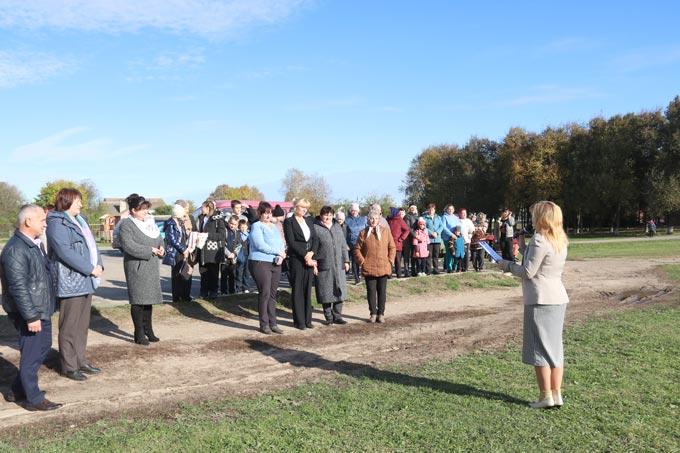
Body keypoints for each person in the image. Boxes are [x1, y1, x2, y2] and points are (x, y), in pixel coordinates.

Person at [498, 201, 569, 409]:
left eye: (534, 215)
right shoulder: (560, 239)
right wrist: (523, 247)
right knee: (555, 349)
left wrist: (506, 265)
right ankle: (556, 394)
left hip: (540, 299)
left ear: (541, 218)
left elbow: (528, 272)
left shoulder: (539, 240)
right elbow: (538, 263)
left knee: (540, 349)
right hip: (557, 298)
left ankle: (545, 396)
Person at [0, 205, 62, 411]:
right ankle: (33, 399)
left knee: (42, 348)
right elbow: (18, 287)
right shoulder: (15, 249)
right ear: (28, 222)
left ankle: (16, 390)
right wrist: (31, 316)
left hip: (40, 308)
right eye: (42, 219)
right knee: (32, 354)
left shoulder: (32, 244)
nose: (46, 223)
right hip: (30, 312)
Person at [46, 188, 103, 382]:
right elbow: (65, 252)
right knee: (69, 325)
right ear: (67, 201)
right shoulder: (57, 223)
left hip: (86, 279)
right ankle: (69, 366)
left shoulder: (81, 220)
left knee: (82, 325)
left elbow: (92, 245)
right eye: (78, 200)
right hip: (71, 280)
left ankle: (80, 360)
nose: (81, 204)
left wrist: (99, 264)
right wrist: (90, 268)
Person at [118, 194, 165, 346]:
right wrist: (149, 249)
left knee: (148, 300)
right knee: (138, 301)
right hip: (136, 267)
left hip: (151, 266)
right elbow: (128, 245)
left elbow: (159, 238)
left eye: (146, 208)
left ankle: (149, 331)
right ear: (133, 210)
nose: (145, 211)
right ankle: (139, 333)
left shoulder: (149, 222)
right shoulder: (127, 224)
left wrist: (162, 247)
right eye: (142, 209)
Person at [248, 202, 286, 335]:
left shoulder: (274, 227)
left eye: (269, 212)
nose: (268, 215)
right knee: (264, 292)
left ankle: (273, 322)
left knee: (272, 294)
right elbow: (260, 245)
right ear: (259, 213)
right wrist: (278, 252)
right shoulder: (256, 226)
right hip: (260, 262)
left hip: (276, 262)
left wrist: (282, 254)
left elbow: (281, 242)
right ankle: (264, 324)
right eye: (265, 213)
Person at [353, 211, 396, 323]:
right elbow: (357, 249)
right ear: (368, 219)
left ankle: (381, 314)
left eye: (376, 218)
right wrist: (362, 261)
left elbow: (392, 247)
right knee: (371, 292)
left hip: (383, 266)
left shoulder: (385, 232)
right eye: (371, 218)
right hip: (369, 267)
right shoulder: (363, 233)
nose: (373, 220)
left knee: (382, 292)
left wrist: (390, 261)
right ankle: (373, 313)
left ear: (379, 219)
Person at [283, 198, 318, 329]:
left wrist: (312, 253)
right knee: (297, 289)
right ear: (296, 207)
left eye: (306, 208)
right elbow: (291, 242)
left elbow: (315, 238)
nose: (304, 210)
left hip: (309, 257)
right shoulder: (289, 222)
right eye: (302, 207)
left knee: (307, 289)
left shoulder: (309, 220)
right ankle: (299, 321)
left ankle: (308, 320)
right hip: (296, 259)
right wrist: (305, 255)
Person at [313, 206, 349, 325]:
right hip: (324, 264)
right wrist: (315, 264)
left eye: (330, 215)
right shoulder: (315, 227)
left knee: (340, 290)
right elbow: (313, 247)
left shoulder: (337, 226)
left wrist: (346, 260)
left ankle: (337, 316)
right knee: (326, 292)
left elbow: (343, 244)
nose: (327, 217)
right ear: (321, 215)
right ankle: (328, 317)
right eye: (325, 215)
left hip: (339, 264)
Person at [163, 203, 191, 302]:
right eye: (182, 212)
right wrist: (183, 249)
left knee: (183, 273)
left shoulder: (180, 222)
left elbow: (183, 237)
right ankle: (176, 297)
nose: (183, 214)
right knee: (176, 275)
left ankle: (184, 295)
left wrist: (187, 246)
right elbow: (172, 239)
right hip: (175, 252)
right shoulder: (170, 224)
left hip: (183, 251)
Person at [197, 200, 226, 299]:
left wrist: (207, 235)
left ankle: (213, 291)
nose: (201, 209)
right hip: (202, 249)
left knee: (213, 272)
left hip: (213, 250)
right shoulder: (201, 218)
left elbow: (222, 235)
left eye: (203, 207)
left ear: (208, 208)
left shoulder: (218, 219)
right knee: (203, 271)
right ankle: (203, 292)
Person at [345, 203, 367, 285]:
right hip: (351, 243)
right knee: (353, 261)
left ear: (358, 211)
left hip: (362, 243)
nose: (354, 212)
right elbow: (344, 233)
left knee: (360, 260)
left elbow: (367, 230)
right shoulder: (347, 220)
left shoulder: (363, 219)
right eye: (352, 210)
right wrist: (345, 244)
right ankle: (356, 278)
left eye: (355, 210)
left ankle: (362, 275)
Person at [220, 215, 242, 295]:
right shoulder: (225, 231)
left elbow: (239, 245)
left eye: (235, 224)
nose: (232, 225)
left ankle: (232, 291)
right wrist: (228, 254)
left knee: (232, 275)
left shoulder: (238, 233)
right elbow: (222, 244)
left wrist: (234, 254)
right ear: (228, 222)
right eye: (231, 223)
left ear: (237, 225)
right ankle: (223, 291)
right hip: (225, 258)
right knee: (224, 275)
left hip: (233, 258)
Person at [387, 207, 410, 278]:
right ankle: (389, 275)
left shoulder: (400, 220)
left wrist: (401, 238)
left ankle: (398, 275)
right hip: (389, 243)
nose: (389, 213)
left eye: (390, 212)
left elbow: (407, 230)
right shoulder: (388, 220)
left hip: (397, 243)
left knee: (397, 260)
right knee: (389, 259)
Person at [423, 203, 443, 275]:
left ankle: (436, 269)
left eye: (433, 209)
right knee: (429, 255)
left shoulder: (438, 217)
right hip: (429, 239)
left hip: (437, 239)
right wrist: (431, 233)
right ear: (428, 210)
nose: (431, 211)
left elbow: (441, 226)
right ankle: (428, 270)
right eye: (430, 209)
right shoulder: (425, 218)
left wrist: (437, 233)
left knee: (436, 255)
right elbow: (424, 227)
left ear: (434, 210)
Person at [440, 204, 461, 273]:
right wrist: (451, 234)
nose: (450, 210)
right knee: (449, 252)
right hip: (447, 237)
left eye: (452, 209)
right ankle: (449, 268)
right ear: (446, 209)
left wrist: (458, 232)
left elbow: (458, 226)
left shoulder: (456, 217)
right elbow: (444, 227)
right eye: (449, 209)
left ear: (454, 210)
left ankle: (450, 266)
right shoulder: (444, 217)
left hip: (455, 237)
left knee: (454, 252)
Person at [403, 205, 419, 276]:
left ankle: (413, 271)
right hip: (408, 238)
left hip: (415, 238)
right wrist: (415, 235)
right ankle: (406, 271)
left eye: (414, 208)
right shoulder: (407, 216)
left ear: (416, 209)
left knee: (414, 255)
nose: (413, 209)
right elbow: (408, 228)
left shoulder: (418, 217)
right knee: (407, 255)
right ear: (409, 209)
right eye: (411, 208)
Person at [235, 219, 250, 293]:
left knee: (246, 272)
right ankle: (238, 287)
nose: (243, 228)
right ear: (239, 227)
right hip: (240, 256)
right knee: (239, 272)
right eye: (242, 227)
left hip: (247, 255)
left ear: (247, 227)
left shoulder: (249, 235)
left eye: (245, 227)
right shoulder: (237, 234)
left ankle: (246, 287)